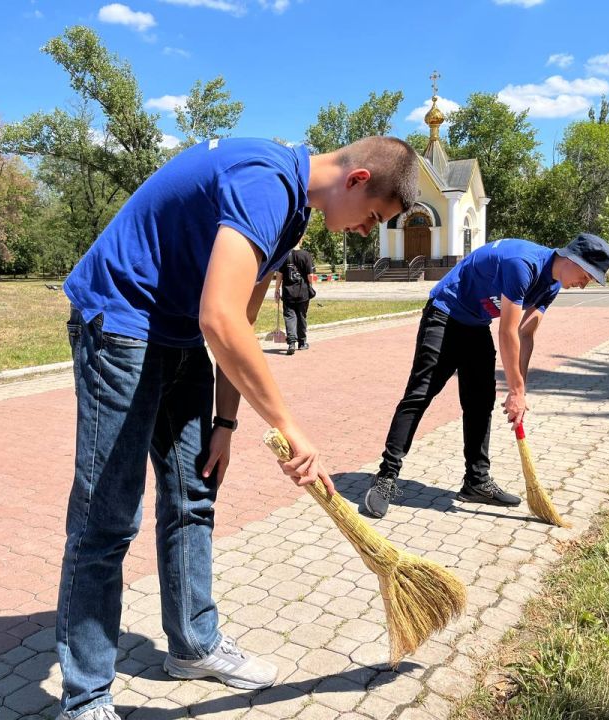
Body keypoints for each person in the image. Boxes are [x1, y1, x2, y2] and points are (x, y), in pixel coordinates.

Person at [56, 135, 419, 720]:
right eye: (372, 217)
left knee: (194, 494)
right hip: (120, 321)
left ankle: (194, 646)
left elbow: (241, 324)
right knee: (107, 518)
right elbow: (219, 318)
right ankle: (86, 699)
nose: (362, 231)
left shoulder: (293, 214)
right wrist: (290, 426)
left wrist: (225, 421)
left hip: (175, 334)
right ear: (355, 181)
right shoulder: (266, 182)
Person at [363, 233, 609, 519]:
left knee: (480, 402)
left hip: (475, 324)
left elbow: (526, 333)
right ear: (571, 258)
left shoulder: (552, 285)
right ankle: (385, 477)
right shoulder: (523, 264)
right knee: (419, 395)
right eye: (587, 275)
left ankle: (476, 482)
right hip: (444, 314)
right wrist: (517, 391)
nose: (584, 284)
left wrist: (520, 388)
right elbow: (507, 331)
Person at [274, 240, 316, 355]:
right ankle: (302, 343)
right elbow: (310, 275)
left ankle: (291, 342)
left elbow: (279, 276)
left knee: (289, 317)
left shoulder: (284, 255)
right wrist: (310, 286)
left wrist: (277, 290)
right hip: (303, 292)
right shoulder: (306, 255)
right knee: (302, 317)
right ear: (300, 241)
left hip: (288, 293)